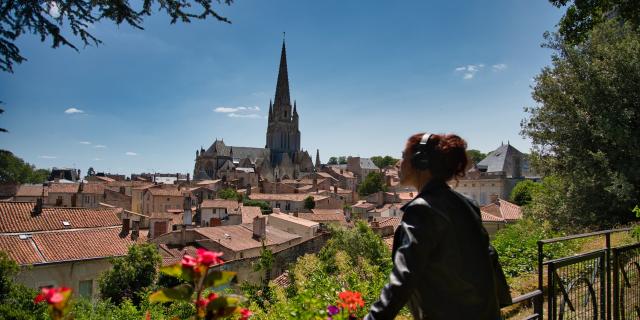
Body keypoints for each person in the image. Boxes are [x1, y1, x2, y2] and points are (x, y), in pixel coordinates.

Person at [365, 133, 511, 320]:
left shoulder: (421, 210)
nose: (397, 164)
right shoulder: (467, 203)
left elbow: (403, 278)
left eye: (403, 156)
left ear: (421, 161)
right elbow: (489, 256)